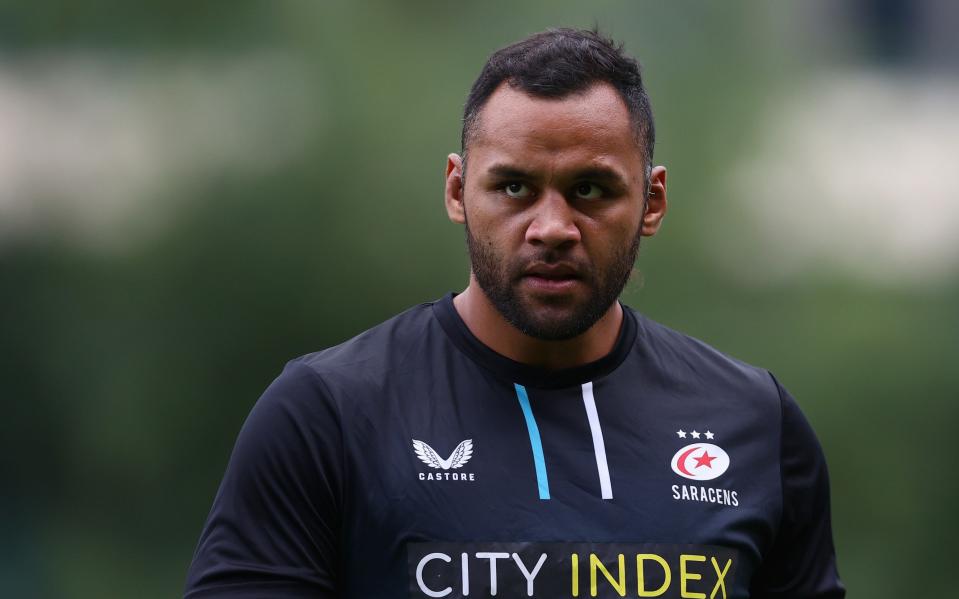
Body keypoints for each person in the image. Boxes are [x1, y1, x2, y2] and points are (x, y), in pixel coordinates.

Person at [185, 28, 845, 598]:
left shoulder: (755, 421)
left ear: (651, 200)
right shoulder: (326, 414)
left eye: (589, 189)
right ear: (456, 189)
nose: (552, 226)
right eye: (513, 187)